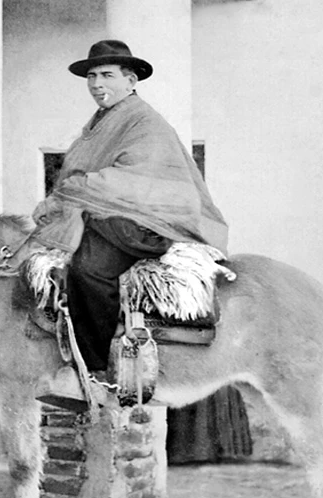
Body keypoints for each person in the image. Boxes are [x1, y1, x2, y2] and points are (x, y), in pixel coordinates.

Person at [33, 40, 229, 407]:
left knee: (88, 269)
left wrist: (73, 191)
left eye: (107, 75)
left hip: (149, 221)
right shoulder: (101, 122)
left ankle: (94, 375)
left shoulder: (144, 121)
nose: (96, 84)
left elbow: (133, 179)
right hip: (112, 214)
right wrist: (64, 200)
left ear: (131, 80)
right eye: (91, 76)